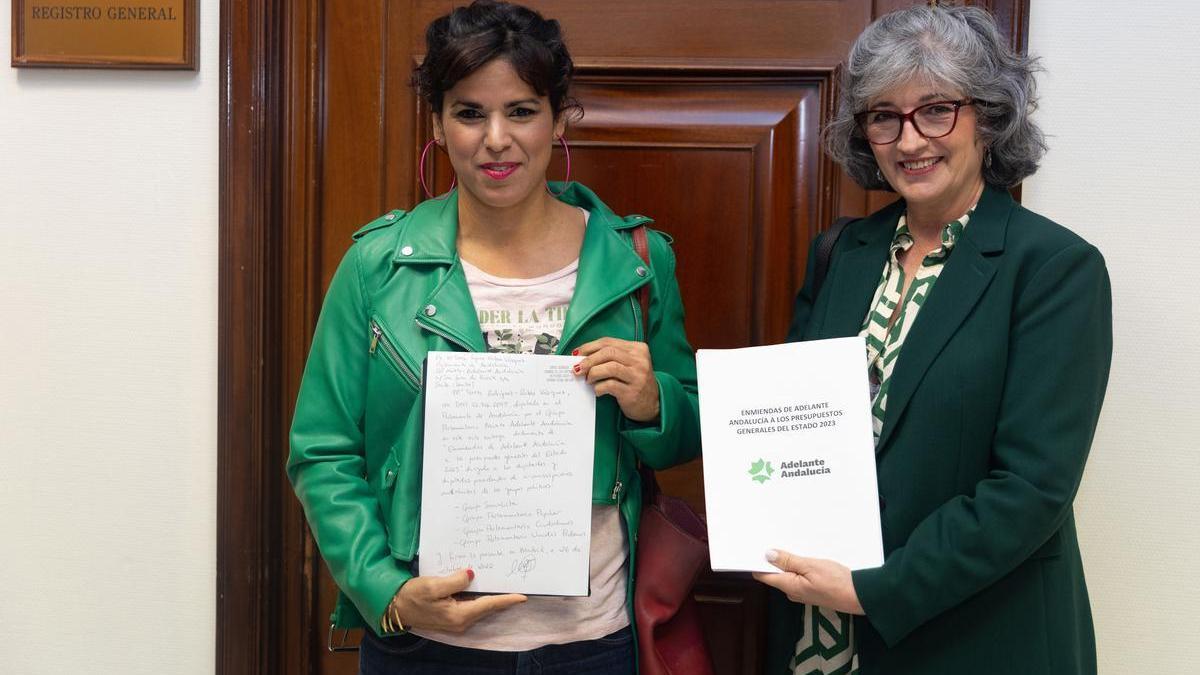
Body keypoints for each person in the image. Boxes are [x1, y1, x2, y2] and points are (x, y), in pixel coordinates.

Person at [286, 2, 700, 673]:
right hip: (425, 643)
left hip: (591, 642)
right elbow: (321, 451)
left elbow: (688, 429)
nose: (495, 139)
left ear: (559, 116)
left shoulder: (638, 261)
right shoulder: (378, 265)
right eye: (470, 113)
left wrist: (655, 402)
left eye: (522, 111)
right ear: (439, 123)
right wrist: (386, 589)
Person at [755, 5, 1112, 674]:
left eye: (936, 109)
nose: (909, 140)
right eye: (884, 115)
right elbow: (790, 428)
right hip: (820, 629)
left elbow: (1032, 488)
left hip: (974, 636)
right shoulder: (842, 252)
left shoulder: (1055, 269)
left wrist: (874, 589)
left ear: (989, 115)